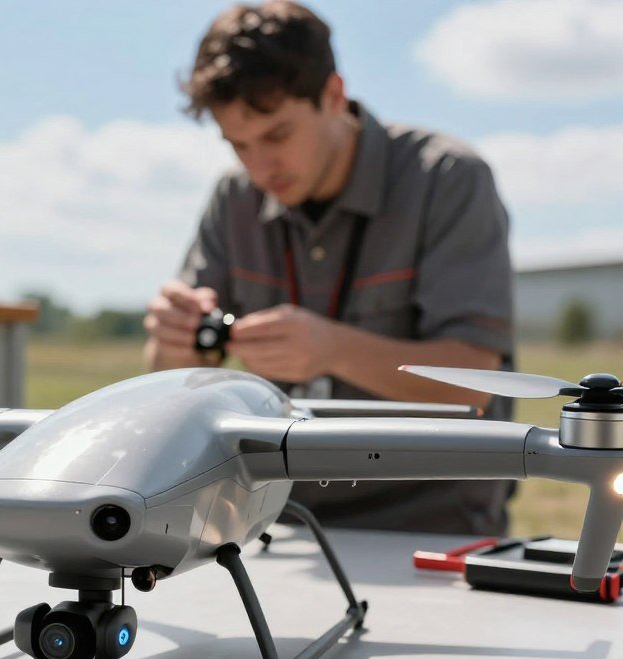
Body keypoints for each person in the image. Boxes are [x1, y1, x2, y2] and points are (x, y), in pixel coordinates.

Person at [143, 1, 515, 535]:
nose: (259, 166)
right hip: (275, 520)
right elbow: (166, 374)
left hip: (429, 524)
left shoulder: (448, 179)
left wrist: (333, 348)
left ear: (334, 95)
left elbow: (473, 383)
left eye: (276, 136)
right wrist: (173, 341)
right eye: (237, 145)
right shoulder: (234, 199)